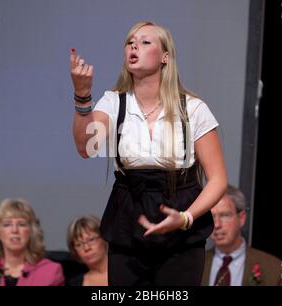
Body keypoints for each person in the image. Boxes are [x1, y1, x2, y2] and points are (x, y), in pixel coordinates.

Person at [70, 21, 227, 285]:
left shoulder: (193, 109)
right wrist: (83, 95)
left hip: (180, 222)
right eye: (130, 42)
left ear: (165, 56)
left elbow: (218, 179)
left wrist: (186, 218)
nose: (134, 46)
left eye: (145, 42)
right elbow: (86, 148)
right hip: (128, 218)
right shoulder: (114, 102)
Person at [0, 198, 65, 286]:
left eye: (21, 224)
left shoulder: (49, 272)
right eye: (7, 224)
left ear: (31, 232)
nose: (14, 230)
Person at [201, 185, 282, 286]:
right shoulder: (196, 264)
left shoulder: (273, 267)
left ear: (241, 218)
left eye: (225, 215)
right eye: (211, 217)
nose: (217, 224)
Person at [66, 215, 108, 286]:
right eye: (79, 244)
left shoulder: (128, 271)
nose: (86, 248)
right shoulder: (73, 284)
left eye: (91, 240)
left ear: (103, 238)